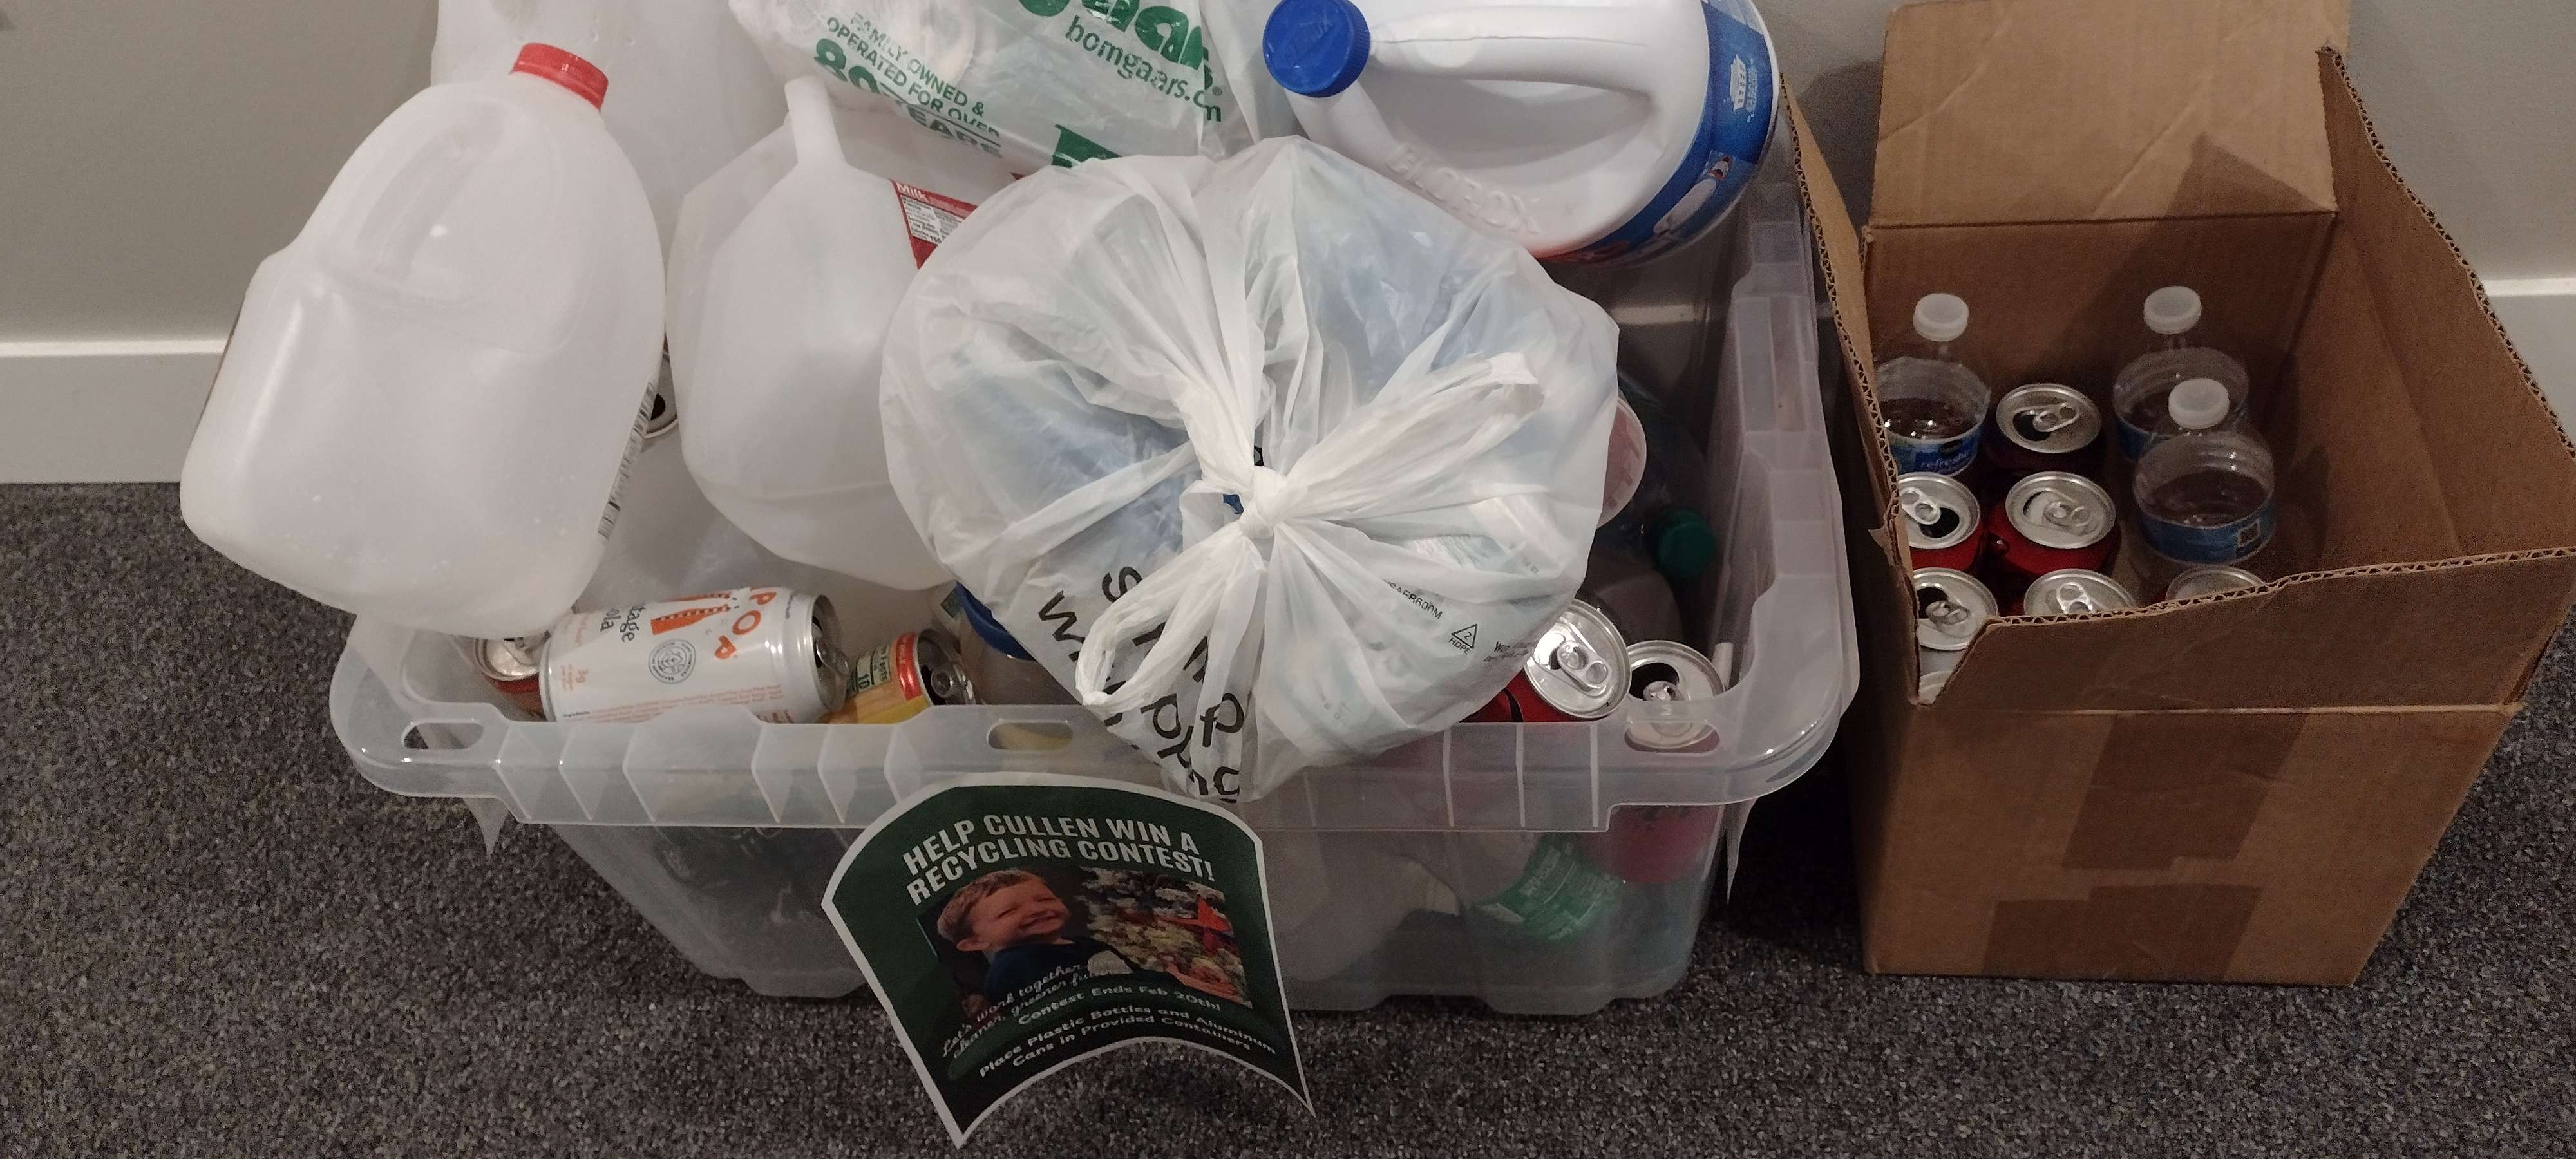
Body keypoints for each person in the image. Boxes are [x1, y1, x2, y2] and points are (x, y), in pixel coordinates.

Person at [936, 869, 1133, 1005]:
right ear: (975, 942)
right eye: (1008, 912)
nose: (1038, 910)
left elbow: (1135, 975)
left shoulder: (1086, 944)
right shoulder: (1010, 968)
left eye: (1045, 900)